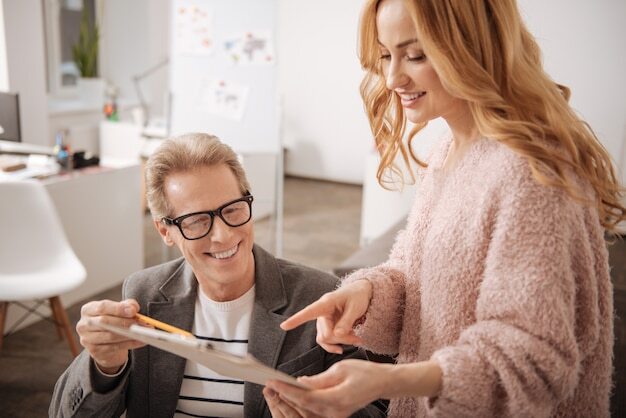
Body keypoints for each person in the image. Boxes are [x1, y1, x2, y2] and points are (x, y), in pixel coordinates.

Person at [264, 0, 625, 417]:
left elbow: (532, 357)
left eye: (415, 55)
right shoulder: (450, 151)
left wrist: (385, 381)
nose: (393, 76)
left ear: (471, 47)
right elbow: (419, 282)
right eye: (386, 54)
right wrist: (363, 294)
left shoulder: (529, 173)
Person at [49, 133, 386, 418]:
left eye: (232, 210)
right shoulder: (144, 297)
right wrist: (105, 365)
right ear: (165, 232)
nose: (223, 235)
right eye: (197, 221)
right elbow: (64, 413)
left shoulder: (318, 296)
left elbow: (381, 407)